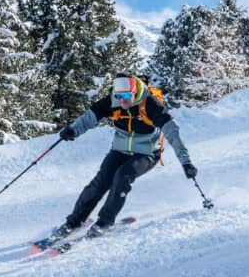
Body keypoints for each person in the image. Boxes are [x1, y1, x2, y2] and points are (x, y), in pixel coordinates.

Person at [51, 74, 197, 239]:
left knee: (123, 175)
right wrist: (73, 130)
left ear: (134, 92)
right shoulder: (112, 101)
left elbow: (172, 133)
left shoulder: (150, 104)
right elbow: (90, 118)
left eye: (127, 96)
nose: (123, 100)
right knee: (101, 181)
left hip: (147, 153)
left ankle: (105, 222)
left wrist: (186, 162)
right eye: (119, 96)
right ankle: (74, 222)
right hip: (120, 150)